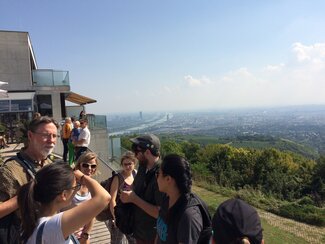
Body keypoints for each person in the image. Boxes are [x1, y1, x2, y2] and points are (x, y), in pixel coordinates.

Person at [17, 162, 111, 243]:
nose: (77, 190)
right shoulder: (53, 226)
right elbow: (104, 197)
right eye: (75, 187)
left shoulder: (33, 219)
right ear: (64, 195)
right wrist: (82, 177)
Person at [0, 116, 59, 244]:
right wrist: (27, 194)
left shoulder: (49, 163)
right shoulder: (11, 170)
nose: (51, 140)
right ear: (30, 136)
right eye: (46, 135)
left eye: (55, 136)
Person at [120, 134, 164, 244]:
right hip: (139, 230)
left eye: (136, 152)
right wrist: (128, 189)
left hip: (152, 236)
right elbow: (136, 186)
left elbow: (160, 213)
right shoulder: (143, 167)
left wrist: (134, 199)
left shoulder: (162, 175)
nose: (135, 156)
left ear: (147, 152)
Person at [156, 154, 204, 244]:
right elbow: (159, 235)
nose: (157, 178)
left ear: (168, 179)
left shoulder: (188, 217)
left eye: (158, 174)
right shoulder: (166, 198)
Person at [62, 152, 99, 244]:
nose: (89, 169)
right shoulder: (69, 182)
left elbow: (93, 213)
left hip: (82, 233)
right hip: (65, 232)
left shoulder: (92, 185)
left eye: (93, 166)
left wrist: (86, 234)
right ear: (79, 166)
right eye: (85, 165)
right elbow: (61, 205)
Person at [106, 151, 137, 244]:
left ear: (134, 163)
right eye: (125, 164)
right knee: (116, 241)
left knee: (133, 241)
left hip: (131, 215)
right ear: (122, 165)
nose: (128, 166)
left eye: (130, 164)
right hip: (119, 215)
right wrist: (115, 217)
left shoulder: (135, 174)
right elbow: (112, 199)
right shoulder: (118, 178)